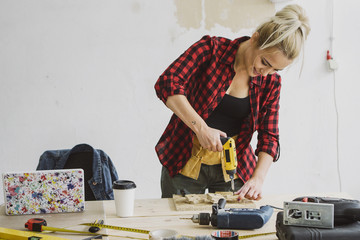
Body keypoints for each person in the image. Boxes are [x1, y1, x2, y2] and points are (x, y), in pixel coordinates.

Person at [154, 4, 310, 200]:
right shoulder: (211, 50)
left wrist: (258, 179)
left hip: (233, 171)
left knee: (232, 228)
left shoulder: (271, 82)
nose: (266, 73)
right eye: (265, 63)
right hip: (185, 160)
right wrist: (201, 129)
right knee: (180, 226)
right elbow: (167, 82)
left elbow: (269, 136)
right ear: (256, 38)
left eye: (275, 70)